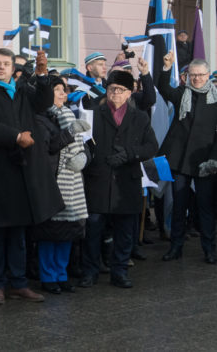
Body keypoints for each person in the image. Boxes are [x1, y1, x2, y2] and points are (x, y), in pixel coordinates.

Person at [0, 48, 64, 305]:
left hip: (24, 170)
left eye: (6, 64)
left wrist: (42, 75)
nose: (1, 68)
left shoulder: (23, 89)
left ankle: (19, 283)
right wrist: (15, 136)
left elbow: (44, 102)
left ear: (13, 68)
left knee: (19, 234)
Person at [79, 69, 158, 289]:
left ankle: (119, 271)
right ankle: (90, 271)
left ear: (129, 93)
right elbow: (83, 143)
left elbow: (152, 146)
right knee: (93, 230)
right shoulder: (94, 113)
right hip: (99, 180)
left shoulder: (139, 117)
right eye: (112, 88)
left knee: (124, 232)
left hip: (127, 182)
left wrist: (130, 154)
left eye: (120, 90)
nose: (115, 93)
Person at [159, 54, 217, 263]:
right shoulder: (182, 93)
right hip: (180, 160)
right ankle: (176, 247)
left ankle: (209, 249)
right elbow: (164, 89)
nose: (197, 79)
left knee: (205, 207)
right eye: (193, 75)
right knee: (178, 206)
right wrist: (166, 67)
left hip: (204, 163)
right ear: (187, 76)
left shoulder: (215, 98)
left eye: (201, 75)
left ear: (208, 75)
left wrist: (213, 161)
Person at [35, 77, 90, 294]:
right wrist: (70, 132)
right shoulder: (40, 117)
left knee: (67, 232)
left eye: (63, 90)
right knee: (50, 233)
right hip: (52, 180)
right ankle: (48, 276)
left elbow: (86, 145)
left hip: (73, 183)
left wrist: (84, 157)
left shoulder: (69, 113)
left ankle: (62, 274)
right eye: (56, 89)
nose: (61, 94)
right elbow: (49, 147)